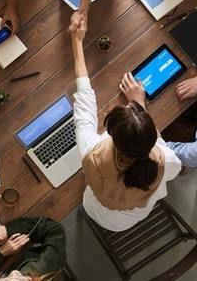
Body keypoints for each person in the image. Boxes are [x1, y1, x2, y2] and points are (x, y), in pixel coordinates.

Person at [69, 15, 181, 231]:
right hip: (129, 218)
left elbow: (84, 101)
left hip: (100, 212)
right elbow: (172, 167)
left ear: (111, 135)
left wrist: (76, 41)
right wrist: (140, 103)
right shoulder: (165, 159)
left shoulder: (92, 152)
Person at [0, 217, 66, 281]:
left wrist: (1, 252)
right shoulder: (45, 269)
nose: (14, 273)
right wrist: (11, 229)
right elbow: (55, 230)